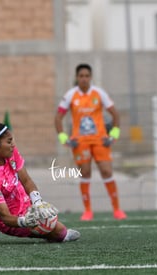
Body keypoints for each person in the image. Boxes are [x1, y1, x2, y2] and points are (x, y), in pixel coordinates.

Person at [0, 122, 80, 242]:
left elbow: (26, 180)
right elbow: (5, 217)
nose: (13, 145)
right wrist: (25, 221)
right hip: (10, 219)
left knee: (43, 217)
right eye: (9, 142)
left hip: (21, 200)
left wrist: (37, 202)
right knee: (60, 232)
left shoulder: (10, 152)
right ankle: (47, 233)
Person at [54, 63, 127, 221]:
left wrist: (113, 135)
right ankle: (88, 211)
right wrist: (63, 138)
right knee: (85, 173)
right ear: (77, 77)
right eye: (81, 76)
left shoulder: (99, 93)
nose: (84, 79)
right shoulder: (70, 95)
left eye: (87, 76)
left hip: (100, 140)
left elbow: (115, 114)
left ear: (91, 77)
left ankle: (117, 209)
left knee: (107, 172)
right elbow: (58, 117)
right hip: (80, 142)